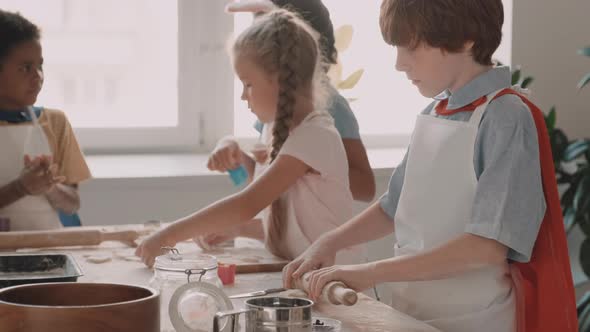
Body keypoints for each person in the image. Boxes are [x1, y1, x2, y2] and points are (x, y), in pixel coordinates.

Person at [282, 1, 576, 331]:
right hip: (413, 313)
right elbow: (393, 207)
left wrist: (371, 273)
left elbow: (487, 247)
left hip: (476, 320)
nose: (398, 64)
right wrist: (328, 242)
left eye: (411, 47)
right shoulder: (434, 111)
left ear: (464, 39)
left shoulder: (505, 118)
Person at [136, 9, 366, 268]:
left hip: (338, 285)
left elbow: (248, 203)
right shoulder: (274, 131)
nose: (243, 96)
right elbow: (297, 226)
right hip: (304, 277)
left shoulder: (314, 136)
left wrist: (169, 235)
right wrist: (238, 229)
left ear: (279, 80)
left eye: (248, 84)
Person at [208, 0, 375, 204]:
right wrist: (237, 157)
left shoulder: (332, 108)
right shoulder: (272, 107)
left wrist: (308, 167)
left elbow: (366, 188)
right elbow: (268, 186)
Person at [0, 9, 91, 231]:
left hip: (50, 248)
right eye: (25, 68)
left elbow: (72, 204)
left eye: (40, 66)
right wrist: (20, 188)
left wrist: (50, 187)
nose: (38, 77)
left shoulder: (55, 122)